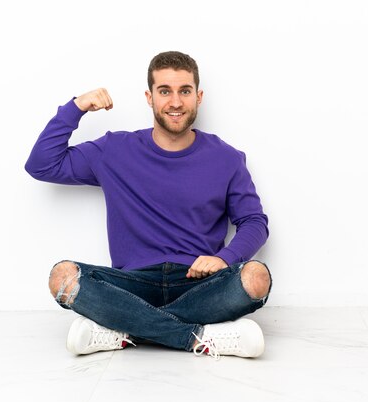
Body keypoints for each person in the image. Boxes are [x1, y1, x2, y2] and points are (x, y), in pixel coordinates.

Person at [25, 51, 271, 359]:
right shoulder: (114, 150)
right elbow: (41, 165)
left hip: (200, 284)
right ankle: (198, 337)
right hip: (132, 283)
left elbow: (254, 222)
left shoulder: (227, 158)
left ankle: (123, 327)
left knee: (256, 277)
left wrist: (225, 258)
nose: (176, 102)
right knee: (62, 277)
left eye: (185, 91)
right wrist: (76, 107)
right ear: (149, 97)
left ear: (199, 96)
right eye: (165, 91)